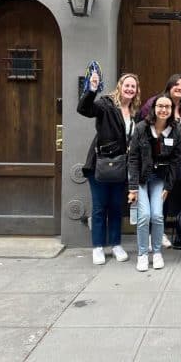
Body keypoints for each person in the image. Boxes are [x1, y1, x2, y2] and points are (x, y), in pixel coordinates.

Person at [77, 69, 137, 265]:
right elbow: (84, 109)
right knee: (100, 207)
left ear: (136, 91)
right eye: (126, 85)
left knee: (116, 206)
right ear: (119, 87)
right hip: (101, 164)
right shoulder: (106, 104)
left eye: (133, 86)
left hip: (121, 166)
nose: (129, 89)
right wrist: (92, 89)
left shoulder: (135, 112)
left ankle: (116, 244)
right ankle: (98, 247)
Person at [127, 95, 181, 271]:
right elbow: (133, 158)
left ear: (171, 110)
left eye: (167, 106)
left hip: (160, 179)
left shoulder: (175, 130)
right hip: (142, 179)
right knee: (144, 216)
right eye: (160, 106)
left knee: (157, 216)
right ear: (154, 107)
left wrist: (168, 186)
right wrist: (133, 187)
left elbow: (175, 160)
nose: (163, 110)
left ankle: (157, 252)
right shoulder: (142, 128)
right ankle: (143, 254)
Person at [139, 74, 181, 248]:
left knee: (167, 196)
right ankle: (151, 236)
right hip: (154, 161)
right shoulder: (155, 102)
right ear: (169, 85)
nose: (179, 88)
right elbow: (144, 128)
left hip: (176, 159)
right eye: (176, 84)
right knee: (155, 200)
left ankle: (164, 232)